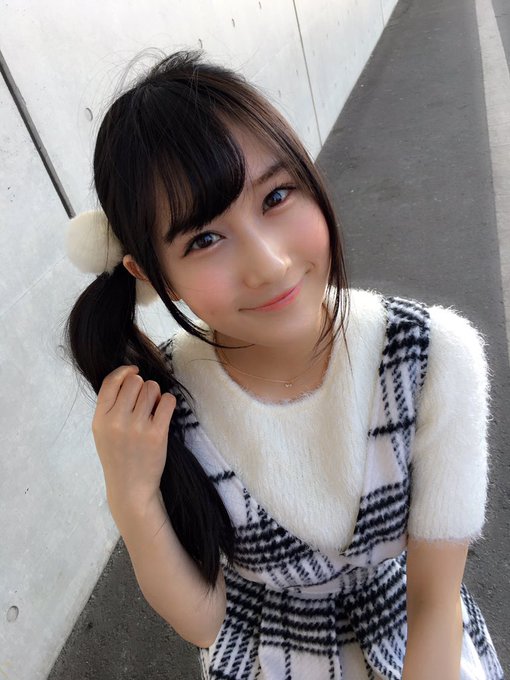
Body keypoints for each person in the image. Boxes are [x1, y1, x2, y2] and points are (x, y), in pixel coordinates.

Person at [64, 49, 503, 679]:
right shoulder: (167, 400)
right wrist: (130, 496)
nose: (269, 264)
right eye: (205, 239)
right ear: (152, 274)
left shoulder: (432, 357)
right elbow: (208, 622)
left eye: (275, 195)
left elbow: (435, 603)